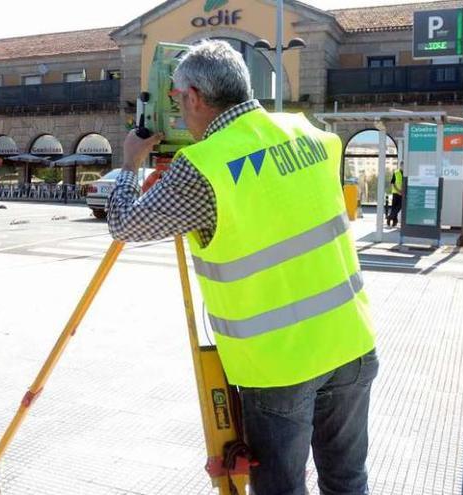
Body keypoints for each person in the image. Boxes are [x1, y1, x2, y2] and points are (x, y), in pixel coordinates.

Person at [107, 40, 378, 495]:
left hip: (280, 366)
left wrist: (131, 162)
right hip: (351, 342)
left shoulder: (203, 167)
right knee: (348, 481)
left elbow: (123, 224)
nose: (175, 108)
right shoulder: (309, 133)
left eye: (175, 98)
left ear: (193, 97)